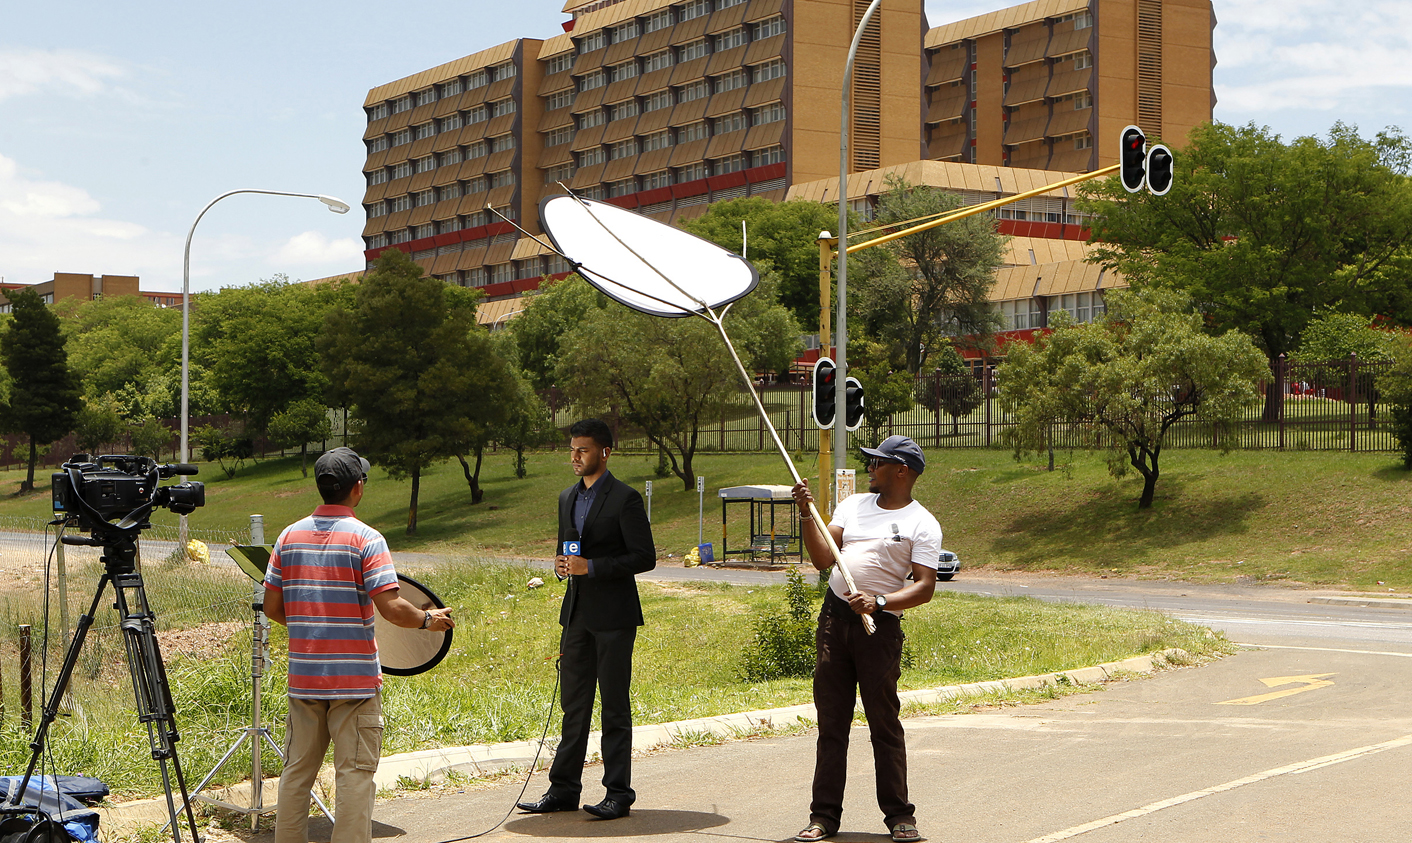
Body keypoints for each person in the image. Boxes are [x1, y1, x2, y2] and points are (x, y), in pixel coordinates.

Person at [263, 447, 454, 843]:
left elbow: (272, 607)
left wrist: (311, 625)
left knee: (296, 774)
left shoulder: (288, 536)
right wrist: (428, 620)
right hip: (354, 684)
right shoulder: (367, 539)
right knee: (354, 776)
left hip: (304, 681)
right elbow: (392, 608)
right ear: (358, 488)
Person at [790, 435, 940, 843]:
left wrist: (879, 600)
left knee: (883, 723)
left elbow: (925, 587)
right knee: (832, 723)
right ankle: (823, 817)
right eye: (870, 461)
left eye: (878, 462)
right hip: (834, 621)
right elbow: (823, 559)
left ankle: (899, 817)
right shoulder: (852, 505)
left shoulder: (922, 523)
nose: (869, 467)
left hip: (880, 629)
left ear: (902, 471)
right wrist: (806, 513)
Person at [517, 419, 655, 821]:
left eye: (583, 450)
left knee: (613, 706)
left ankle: (618, 793)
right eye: (573, 449)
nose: (575, 457)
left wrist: (591, 567)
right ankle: (563, 790)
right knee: (573, 706)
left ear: (604, 452)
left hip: (614, 617)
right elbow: (567, 550)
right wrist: (562, 566)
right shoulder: (566, 497)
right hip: (576, 616)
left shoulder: (625, 498)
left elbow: (643, 557)